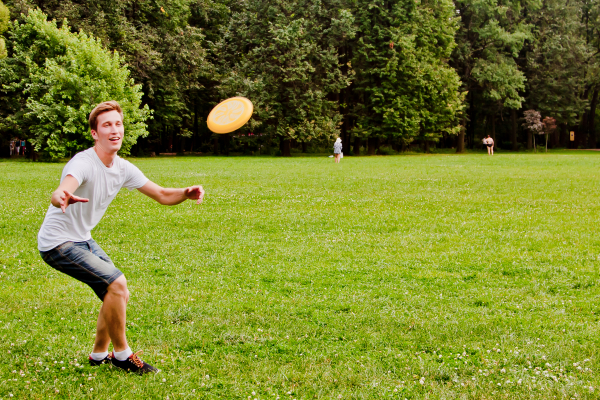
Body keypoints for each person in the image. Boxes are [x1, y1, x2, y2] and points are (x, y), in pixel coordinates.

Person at [37, 101, 205, 374]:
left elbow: (161, 194)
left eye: (118, 124)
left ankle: (98, 354)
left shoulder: (123, 168)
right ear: (95, 133)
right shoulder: (83, 162)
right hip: (57, 242)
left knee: (117, 293)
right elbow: (61, 190)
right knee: (117, 284)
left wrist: (184, 193)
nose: (114, 130)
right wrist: (61, 197)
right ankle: (123, 355)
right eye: (106, 125)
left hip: (81, 237)